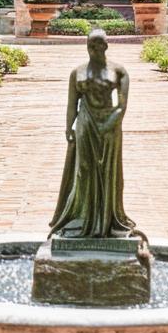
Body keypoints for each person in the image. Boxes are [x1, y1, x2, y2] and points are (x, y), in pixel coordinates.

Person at [49, 28, 138, 240]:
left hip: (109, 125)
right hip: (86, 123)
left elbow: (122, 105)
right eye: (90, 45)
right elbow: (72, 104)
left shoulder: (118, 71)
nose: (94, 49)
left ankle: (107, 218)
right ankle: (82, 216)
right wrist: (68, 126)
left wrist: (110, 123)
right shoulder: (77, 72)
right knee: (84, 169)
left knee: (108, 170)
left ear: (106, 46)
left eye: (98, 44)